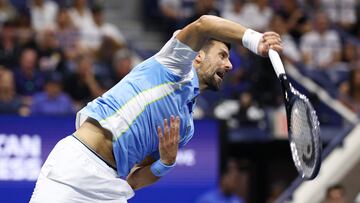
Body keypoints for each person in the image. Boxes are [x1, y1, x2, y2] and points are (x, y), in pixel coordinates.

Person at [30, 15, 282, 202]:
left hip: (109, 187)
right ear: (198, 56)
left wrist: (167, 162)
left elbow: (136, 179)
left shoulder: (185, 126)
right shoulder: (172, 64)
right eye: (222, 55)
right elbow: (204, 24)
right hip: (75, 164)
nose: (229, 66)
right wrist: (253, 39)